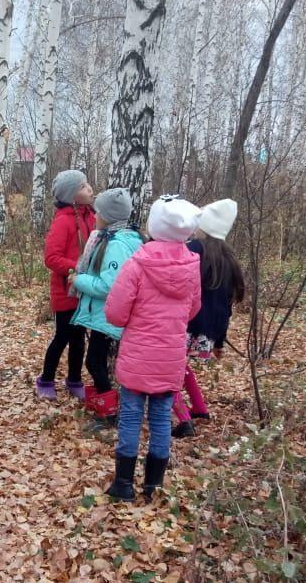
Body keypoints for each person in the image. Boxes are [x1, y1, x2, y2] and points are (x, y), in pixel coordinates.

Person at [104, 196, 203, 502]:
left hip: (138, 355)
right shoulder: (191, 265)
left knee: (132, 417)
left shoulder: (138, 263)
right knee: (161, 418)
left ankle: (123, 484)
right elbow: (193, 309)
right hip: (170, 355)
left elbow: (116, 313)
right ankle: (153, 485)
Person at [69, 187, 143, 420]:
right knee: (96, 361)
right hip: (106, 314)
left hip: (108, 315)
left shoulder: (117, 244)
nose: (95, 216)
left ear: (108, 217)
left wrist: (78, 280)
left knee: (93, 362)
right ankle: (101, 405)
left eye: (98, 212)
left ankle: (109, 413)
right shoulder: (118, 238)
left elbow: (109, 285)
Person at [173, 198, 244, 437]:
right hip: (208, 333)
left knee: (169, 371)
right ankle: (200, 408)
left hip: (185, 325)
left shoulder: (194, 249)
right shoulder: (229, 258)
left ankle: (184, 419)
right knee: (178, 366)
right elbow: (226, 306)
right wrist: (220, 341)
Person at [36, 170, 96, 400]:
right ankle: (46, 379)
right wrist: (78, 268)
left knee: (79, 338)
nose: (89, 189)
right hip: (65, 291)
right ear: (71, 195)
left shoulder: (92, 216)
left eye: (87, 184)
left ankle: (74, 380)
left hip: (86, 290)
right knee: (62, 336)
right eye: (83, 186)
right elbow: (51, 258)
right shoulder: (63, 221)